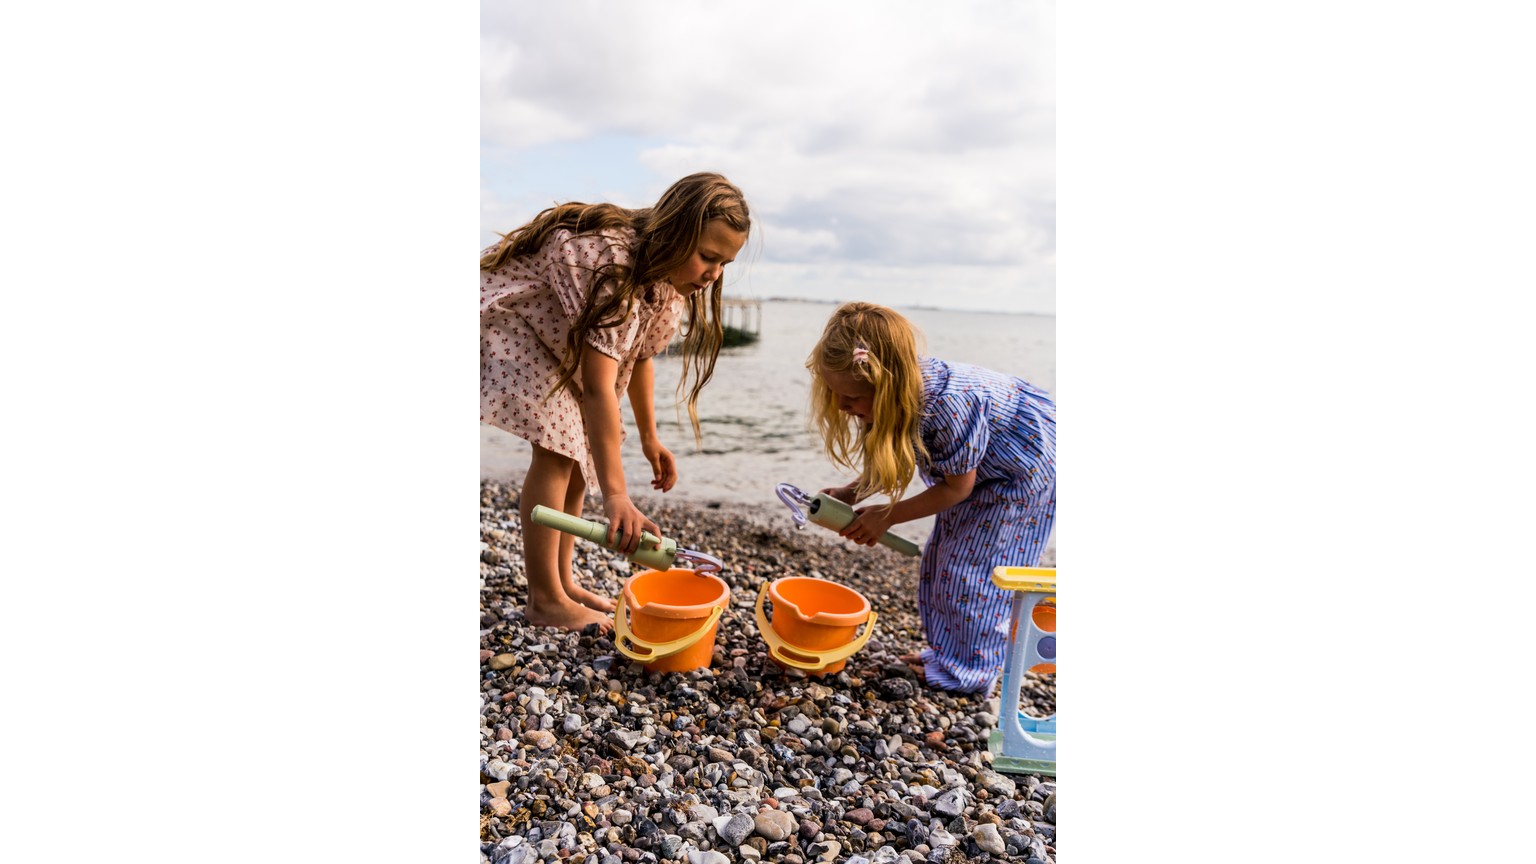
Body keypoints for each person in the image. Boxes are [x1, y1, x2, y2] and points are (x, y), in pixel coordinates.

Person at [481, 172, 750, 632]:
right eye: (707, 257)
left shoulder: (666, 289)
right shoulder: (613, 267)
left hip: (559, 341)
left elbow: (639, 357)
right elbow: (600, 387)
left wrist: (650, 437)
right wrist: (618, 496)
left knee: (581, 449)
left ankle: (562, 584)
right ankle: (544, 599)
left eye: (724, 263)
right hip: (515, 322)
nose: (713, 274)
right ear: (673, 233)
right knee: (558, 446)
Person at [805, 302, 1055, 694]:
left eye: (851, 397)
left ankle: (973, 672)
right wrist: (850, 493)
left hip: (1023, 473)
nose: (841, 406)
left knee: (975, 573)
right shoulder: (897, 394)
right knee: (943, 562)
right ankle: (950, 654)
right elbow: (892, 458)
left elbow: (957, 488)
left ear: (886, 385)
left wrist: (887, 516)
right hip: (982, 473)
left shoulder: (949, 404)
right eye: (836, 394)